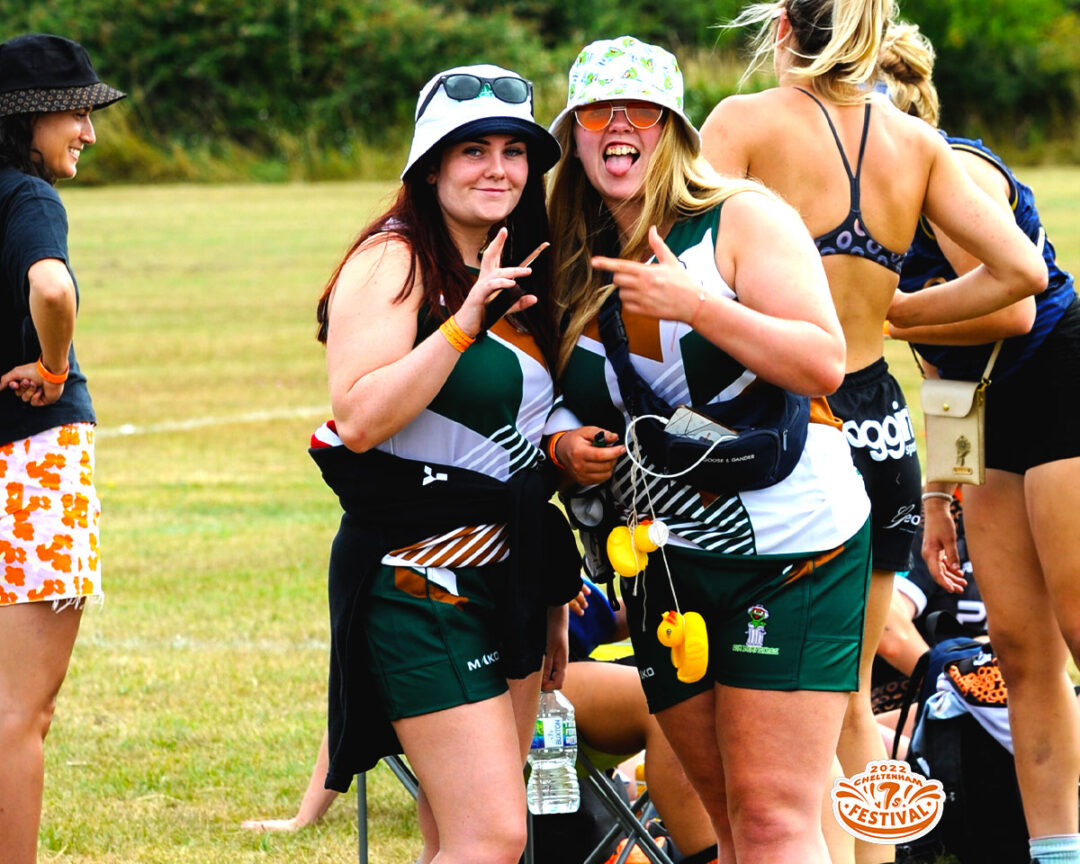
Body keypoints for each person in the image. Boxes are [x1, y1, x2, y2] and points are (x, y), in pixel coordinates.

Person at [698, 5, 1047, 861]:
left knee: (784, 709)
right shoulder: (915, 142)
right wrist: (896, 314)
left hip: (788, 427)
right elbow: (1021, 273)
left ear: (784, 26)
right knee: (851, 699)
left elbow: (678, 259)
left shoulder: (744, 122)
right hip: (881, 428)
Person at [546, 35, 874, 863]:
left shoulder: (742, 217)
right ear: (573, 136)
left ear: (674, 131)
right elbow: (553, 390)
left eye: (642, 111)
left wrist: (697, 306)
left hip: (791, 549)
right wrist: (562, 442)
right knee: (725, 817)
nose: (620, 126)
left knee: (772, 818)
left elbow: (822, 361)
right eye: (598, 112)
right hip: (664, 565)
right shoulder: (566, 253)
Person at [308, 64, 581, 864]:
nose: (498, 169)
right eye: (473, 151)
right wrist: (463, 323)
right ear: (430, 166)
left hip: (512, 576)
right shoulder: (393, 260)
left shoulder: (524, 264)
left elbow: (520, 432)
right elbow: (359, 419)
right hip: (420, 581)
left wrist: (553, 596)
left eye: (514, 151)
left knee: (456, 834)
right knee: (493, 836)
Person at [880, 21, 1080, 864]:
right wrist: (939, 494)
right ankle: (1057, 851)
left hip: (1060, 379)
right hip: (985, 408)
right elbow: (943, 368)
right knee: (1022, 653)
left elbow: (1013, 308)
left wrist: (884, 313)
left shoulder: (948, 168)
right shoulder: (871, 210)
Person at [0, 33, 124, 864]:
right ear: (28, 118)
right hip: (31, 462)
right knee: (18, 712)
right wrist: (51, 366)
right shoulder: (29, 196)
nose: (89, 131)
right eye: (76, 113)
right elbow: (50, 286)